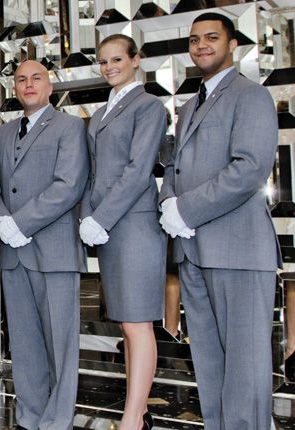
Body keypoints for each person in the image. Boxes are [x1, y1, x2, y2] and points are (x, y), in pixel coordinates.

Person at [159, 12, 281, 429]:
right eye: (194, 40)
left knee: (245, 369)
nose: (201, 46)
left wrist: (185, 210)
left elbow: (249, 169)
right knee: (210, 366)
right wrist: (168, 202)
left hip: (238, 250)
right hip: (194, 251)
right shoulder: (190, 104)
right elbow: (174, 168)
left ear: (232, 45)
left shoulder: (251, 96)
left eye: (211, 37)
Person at [0, 59, 88, 430]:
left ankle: (58, 420)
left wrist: (21, 223)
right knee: (24, 343)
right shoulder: (0, 135)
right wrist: (3, 222)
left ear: (50, 86)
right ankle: (30, 416)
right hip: (13, 253)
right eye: (21, 79)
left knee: (60, 343)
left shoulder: (70, 127)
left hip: (54, 251)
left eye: (36, 78)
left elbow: (69, 185)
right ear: (14, 87)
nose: (28, 84)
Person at [80, 34, 168, 430]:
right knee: (125, 323)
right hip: (107, 227)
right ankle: (139, 412)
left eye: (117, 59)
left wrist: (101, 217)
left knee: (137, 322)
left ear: (136, 59)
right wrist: (89, 216)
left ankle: (132, 418)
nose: (109, 67)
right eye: (103, 61)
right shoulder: (100, 113)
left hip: (134, 224)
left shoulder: (148, 106)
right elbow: (92, 174)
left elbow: (138, 171)